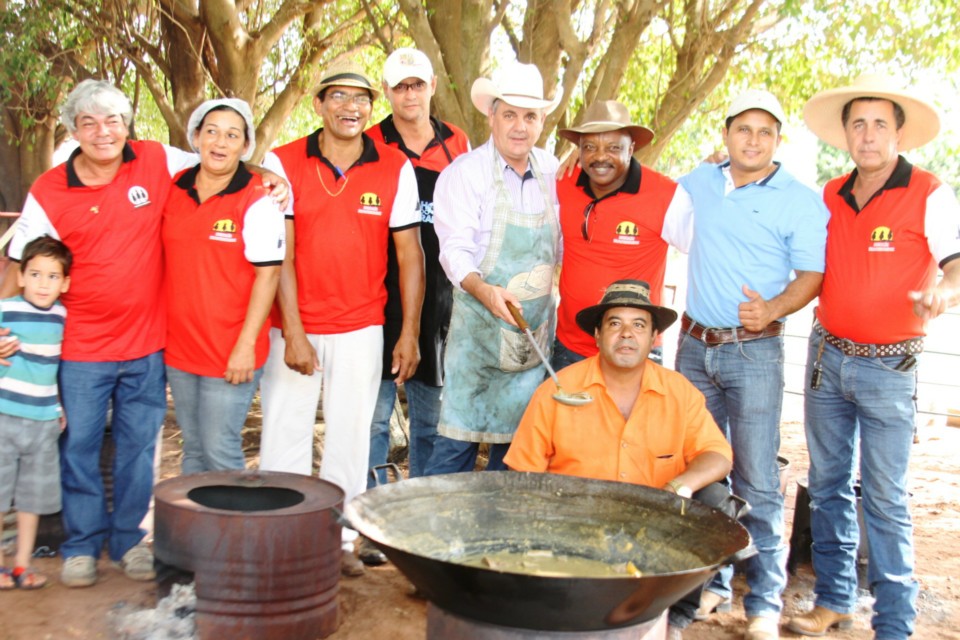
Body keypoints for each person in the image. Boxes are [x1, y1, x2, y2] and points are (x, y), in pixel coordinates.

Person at [1, 80, 197, 589]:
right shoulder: (49, 188)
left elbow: (218, 162)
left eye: (112, 120)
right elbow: (17, 259)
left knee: (137, 451)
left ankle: (130, 541)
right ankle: (81, 546)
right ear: (72, 131)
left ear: (127, 124)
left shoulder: (156, 159)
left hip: (147, 345)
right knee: (79, 448)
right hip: (80, 348)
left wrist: (265, 175)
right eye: (88, 122)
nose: (102, 131)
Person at [786, 75, 960, 640]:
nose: (868, 134)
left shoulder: (930, 192)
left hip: (891, 367)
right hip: (826, 359)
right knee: (829, 484)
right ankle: (834, 600)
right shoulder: (829, 193)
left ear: (899, 133)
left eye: (880, 123)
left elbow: (957, 265)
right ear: (845, 134)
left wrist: (943, 293)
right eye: (857, 124)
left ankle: (894, 625)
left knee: (885, 497)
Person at [257, 60, 424, 577]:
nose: (349, 108)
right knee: (284, 436)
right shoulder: (282, 161)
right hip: (296, 329)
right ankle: (281, 543)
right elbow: (278, 252)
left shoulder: (395, 166)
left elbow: (410, 255)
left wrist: (409, 332)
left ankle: (338, 545)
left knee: (351, 440)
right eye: (338, 97)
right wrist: (295, 331)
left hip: (361, 327)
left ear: (370, 109)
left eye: (360, 99)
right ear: (319, 104)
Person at [675, 90, 829, 640]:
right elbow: (670, 222)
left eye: (766, 131)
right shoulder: (702, 182)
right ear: (726, 134)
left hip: (754, 350)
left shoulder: (800, 200)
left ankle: (764, 600)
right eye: (744, 129)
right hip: (693, 346)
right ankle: (707, 584)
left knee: (758, 479)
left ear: (778, 140)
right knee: (699, 466)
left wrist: (772, 309)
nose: (754, 140)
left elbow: (811, 274)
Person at [504, 279, 734, 638]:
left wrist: (679, 485)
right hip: (574, 534)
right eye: (615, 324)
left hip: (655, 536)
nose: (627, 334)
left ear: (653, 337)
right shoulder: (558, 390)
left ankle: (676, 614)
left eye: (639, 325)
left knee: (716, 498)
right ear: (596, 335)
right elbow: (522, 475)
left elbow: (718, 455)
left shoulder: (679, 392)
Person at [358, 48, 471, 565]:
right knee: (374, 418)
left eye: (417, 85)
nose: (409, 95)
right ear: (388, 93)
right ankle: (373, 522)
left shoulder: (458, 144)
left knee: (433, 420)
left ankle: (422, 526)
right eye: (399, 87)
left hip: (442, 302)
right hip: (378, 293)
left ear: (431, 87)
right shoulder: (369, 142)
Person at [425, 60, 560, 475]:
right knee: (454, 453)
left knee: (517, 466)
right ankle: (424, 539)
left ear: (541, 122)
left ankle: (500, 539)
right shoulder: (465, 174)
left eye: (530, 116)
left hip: (533, 349)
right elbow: (454, 252)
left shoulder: (553, 172)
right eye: (510, 115)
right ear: (492, 115)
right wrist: (485, 291)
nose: (520, 127)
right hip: (478, 347)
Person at [163, 99, 284, 474]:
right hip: (180, 347)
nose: (220, 142)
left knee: (220, 448)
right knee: (194, 447)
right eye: (211, 131)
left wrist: (246, 346)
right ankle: (193, 532)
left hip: (231, 349)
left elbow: (269, 276)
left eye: (233, 135)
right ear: (196, 137)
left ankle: (241, 533)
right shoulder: (174, 184)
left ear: (245, 147)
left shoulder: (258, 198)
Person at [553, 100, 693, 370]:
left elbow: (702, 248)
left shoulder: (666, 195)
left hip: (635, 352)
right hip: (570, 348)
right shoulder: (563, 182)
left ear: (632, 148)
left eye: (613, 147)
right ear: (578, 151)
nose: (600, 156)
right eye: (590, 147)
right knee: (568, 413)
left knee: (635, 415)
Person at [0, 237, 71, 590]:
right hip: (4, 415)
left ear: (66, 283)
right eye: (36, 274)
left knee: (31, 498)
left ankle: (21, 565)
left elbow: (53, 368)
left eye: (53, 276)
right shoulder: (5, 309)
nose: (44, 284)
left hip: (43, 421)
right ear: (22, 276)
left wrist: (57, 406)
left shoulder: (62, 316)